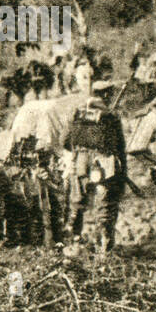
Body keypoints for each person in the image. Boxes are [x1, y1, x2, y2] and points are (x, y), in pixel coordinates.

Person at [62, 79, 128, 253]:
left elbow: (65, 141)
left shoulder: (77, 113)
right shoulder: (110, 117)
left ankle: (74, 243)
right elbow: (120, 147)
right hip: (104, 164)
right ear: (106, 95)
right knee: (107, 205)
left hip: (81, 163)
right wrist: (122, 174)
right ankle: (106, 247)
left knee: (76, 205)